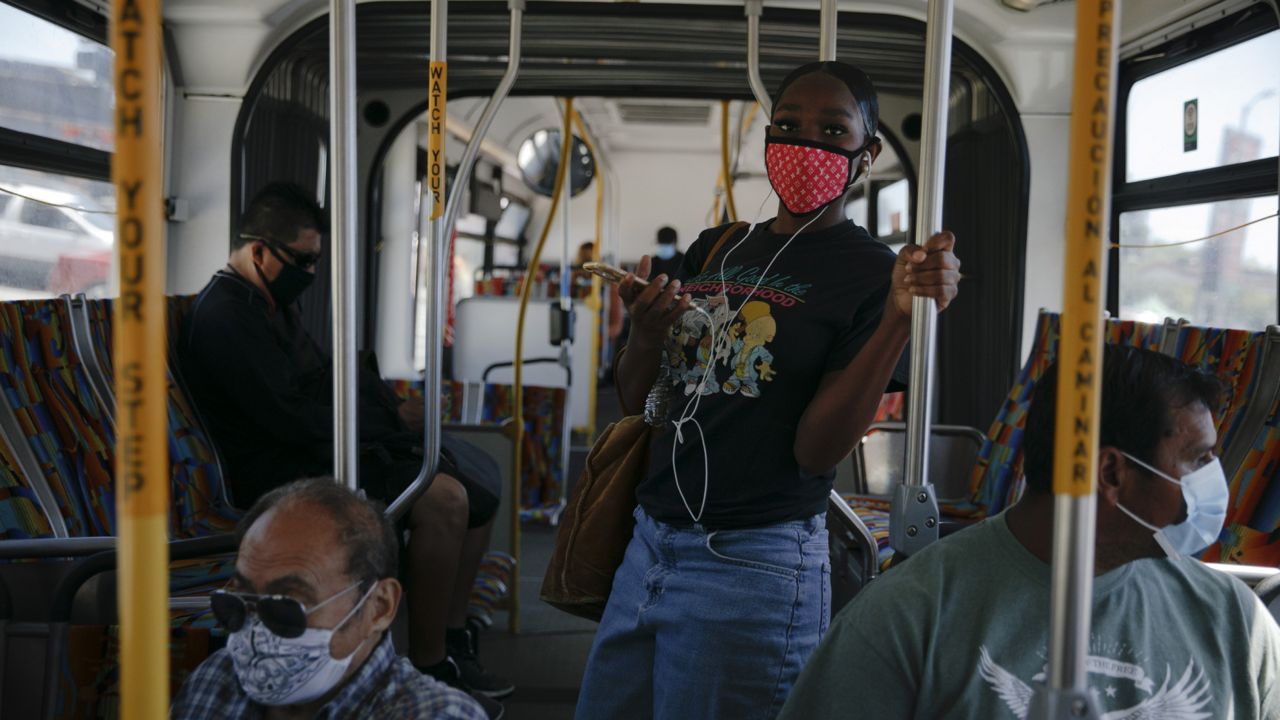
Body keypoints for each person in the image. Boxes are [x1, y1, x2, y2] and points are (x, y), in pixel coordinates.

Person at [574, 61, 961, 719]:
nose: (805, 143)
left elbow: (816, 453)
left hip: (753, 560)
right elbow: (648, 402)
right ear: (767, 142)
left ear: (865, 155)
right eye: (788, 125)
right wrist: (644, 335)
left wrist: (898, 317)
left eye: (831, 130)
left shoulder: (873, 274)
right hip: (651, 540)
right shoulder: (720, 246)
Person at [777, 345, 1280, 719]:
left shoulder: (1235, 622)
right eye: (1199, 459)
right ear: (1111, 473)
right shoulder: (909, 619)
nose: (1216, 480)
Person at [178, 183, 512, 710]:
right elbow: (287, 417)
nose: (309, 274)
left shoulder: (266, 303)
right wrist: (385, 421)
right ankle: (430, 663)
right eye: (304, 261)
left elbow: (316, 378)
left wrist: (387, 410)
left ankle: (450, 634)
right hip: (274, 471)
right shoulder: (227, 318)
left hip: (304, 448)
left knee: (474, 476)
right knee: (443, 497)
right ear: (261, 252)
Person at [171, 478, 487, 719]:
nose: (254, 634)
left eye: (286, 606)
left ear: (379, 607)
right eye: (235, 605)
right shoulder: (216, 679)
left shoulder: (437, 714)